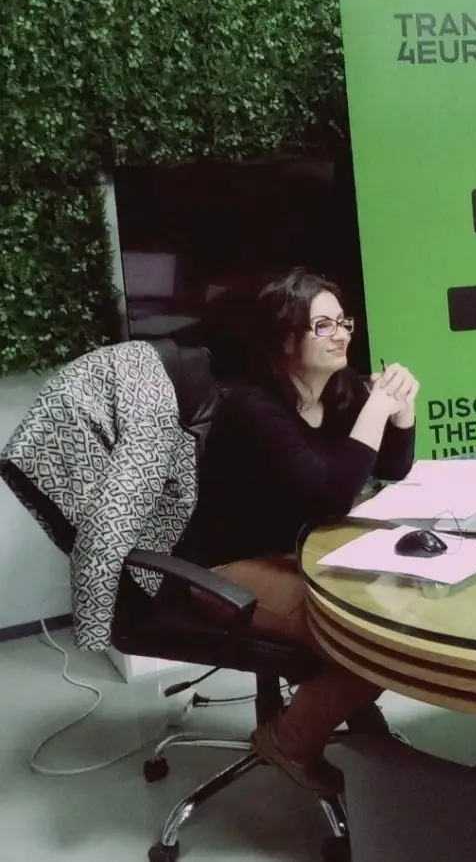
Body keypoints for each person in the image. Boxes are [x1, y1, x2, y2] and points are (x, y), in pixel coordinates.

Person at [174, 267, 419, 796]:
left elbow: (391, 469)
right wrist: (376, 410)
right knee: (371, 639)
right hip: (226, 568)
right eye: (323, 325)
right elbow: (330, 495)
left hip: (296, 553)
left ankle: (340, 711)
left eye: (343, 322)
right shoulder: (254, 407)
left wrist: (402, 414)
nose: (341, 334)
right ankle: (288, 741)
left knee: (399, 612)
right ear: (286, 340)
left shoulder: (339, 391)